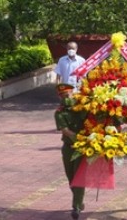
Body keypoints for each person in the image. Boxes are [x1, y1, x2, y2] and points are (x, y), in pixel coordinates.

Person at [54, 83, 87, 220]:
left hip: (82, 147)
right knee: (71, 178)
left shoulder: (81, 107)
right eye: (63, 95)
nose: (66, 97)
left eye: (68, 94)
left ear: (73, 93)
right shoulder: (60, 112)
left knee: (79, 177)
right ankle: (78, 199)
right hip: (68, 147)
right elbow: (65, 130)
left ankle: (76, 206)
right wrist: (77, 138)